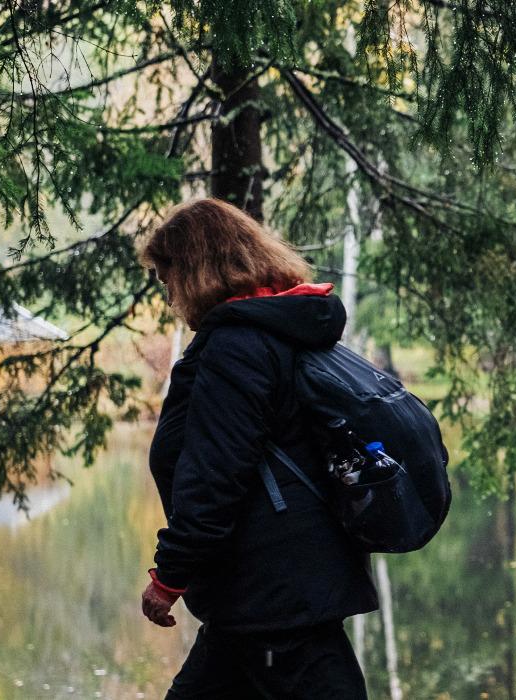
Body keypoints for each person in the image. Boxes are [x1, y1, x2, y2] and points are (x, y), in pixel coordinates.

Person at [138, 198, 376, 699]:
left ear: (196, 268)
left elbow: (214, 477)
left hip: (273, 598)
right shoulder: (280, 328)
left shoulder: (238, 346)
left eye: (167, 277)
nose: (168, 295)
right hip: (271, 593)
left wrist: (169, 577)